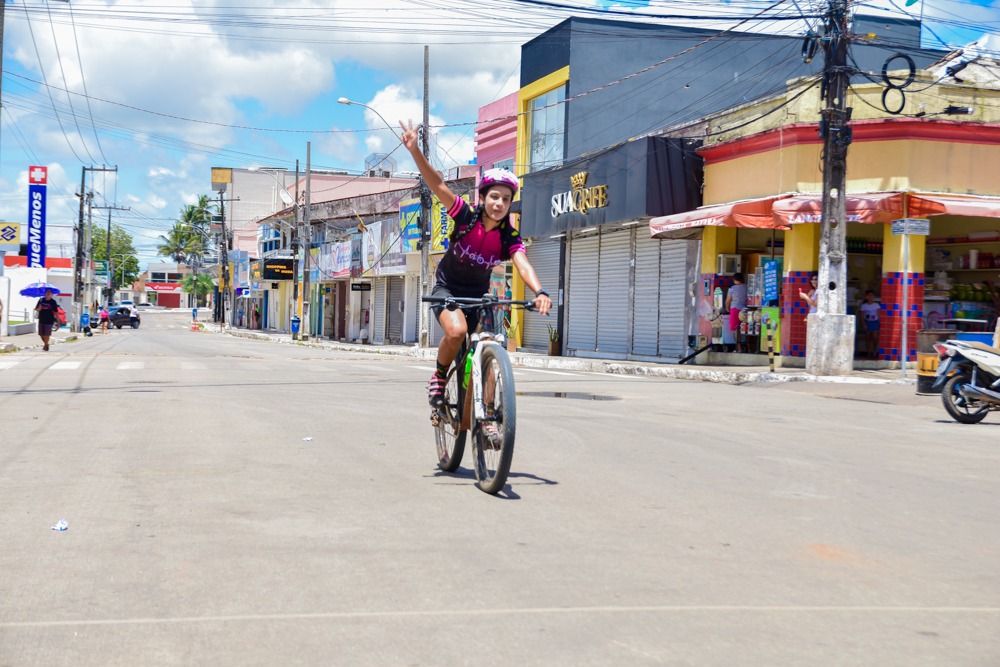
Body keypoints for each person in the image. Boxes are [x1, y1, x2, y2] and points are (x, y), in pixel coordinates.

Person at [399, 119, 552, 408]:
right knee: (456, 333)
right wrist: (415, 151)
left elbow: (522, 264)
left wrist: (540, 292)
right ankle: (441, 375)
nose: (499, 203)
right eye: (494, 196)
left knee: (492, 347)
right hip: (448, 290)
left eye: (506, 199)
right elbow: (438, 185)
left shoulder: (509, 236)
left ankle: (489, 417)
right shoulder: (466, 218)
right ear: (483, 197)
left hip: (478, 298)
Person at [725, 272, 748, 353]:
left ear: (734, 279)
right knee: (746, 328)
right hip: (745, 310)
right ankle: (749, 346)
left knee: (735, 329)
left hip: (735, 309)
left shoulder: (732, 289)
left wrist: (727, 309)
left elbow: (728, 301)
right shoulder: (747, 287)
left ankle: (738, 347)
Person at [859, 290, 880, 358]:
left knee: (875, 338)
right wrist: (863, 323)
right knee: (868, 338)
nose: (870, 297)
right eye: (869, 295)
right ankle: (869, 353)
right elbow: (862, 316)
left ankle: (874, 351)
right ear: (866, 297)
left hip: (875, 322)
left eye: (872, 295)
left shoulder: (876, 305)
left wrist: (880, 323)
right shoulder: (864, 306)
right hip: (867, 322)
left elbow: (879, 314)